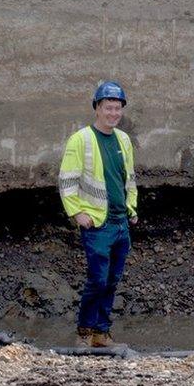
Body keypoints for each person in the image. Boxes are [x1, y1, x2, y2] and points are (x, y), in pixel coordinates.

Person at [58, 81, 138, 347]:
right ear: (97, 109)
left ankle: (101, 334)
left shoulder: (123, 140)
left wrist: (132, 208)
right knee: (98, 279)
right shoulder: (81, 140)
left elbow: (128, 179)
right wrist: (77, 212)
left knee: (113, 280)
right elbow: (67, 180)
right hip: (97, 223)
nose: (113, 113)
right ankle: (85, 332)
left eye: (117, 108)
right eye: (108, 108)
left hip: (120, 221)